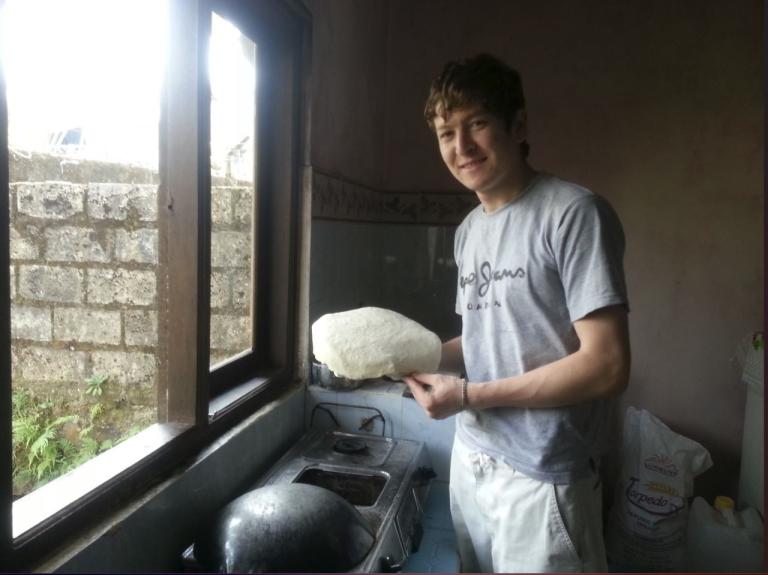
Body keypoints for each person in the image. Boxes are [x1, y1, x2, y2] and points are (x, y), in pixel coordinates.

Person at [403, 53, 631, 573]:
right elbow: (484, 338)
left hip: (544, 476)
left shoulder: (574, 214)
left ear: (519, 124)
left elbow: (608, 365)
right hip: (473, 456)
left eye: (476, 124)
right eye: (445, 133)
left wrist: (469, 396)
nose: (461, 148)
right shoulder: (468, 231)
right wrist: (415, 356)